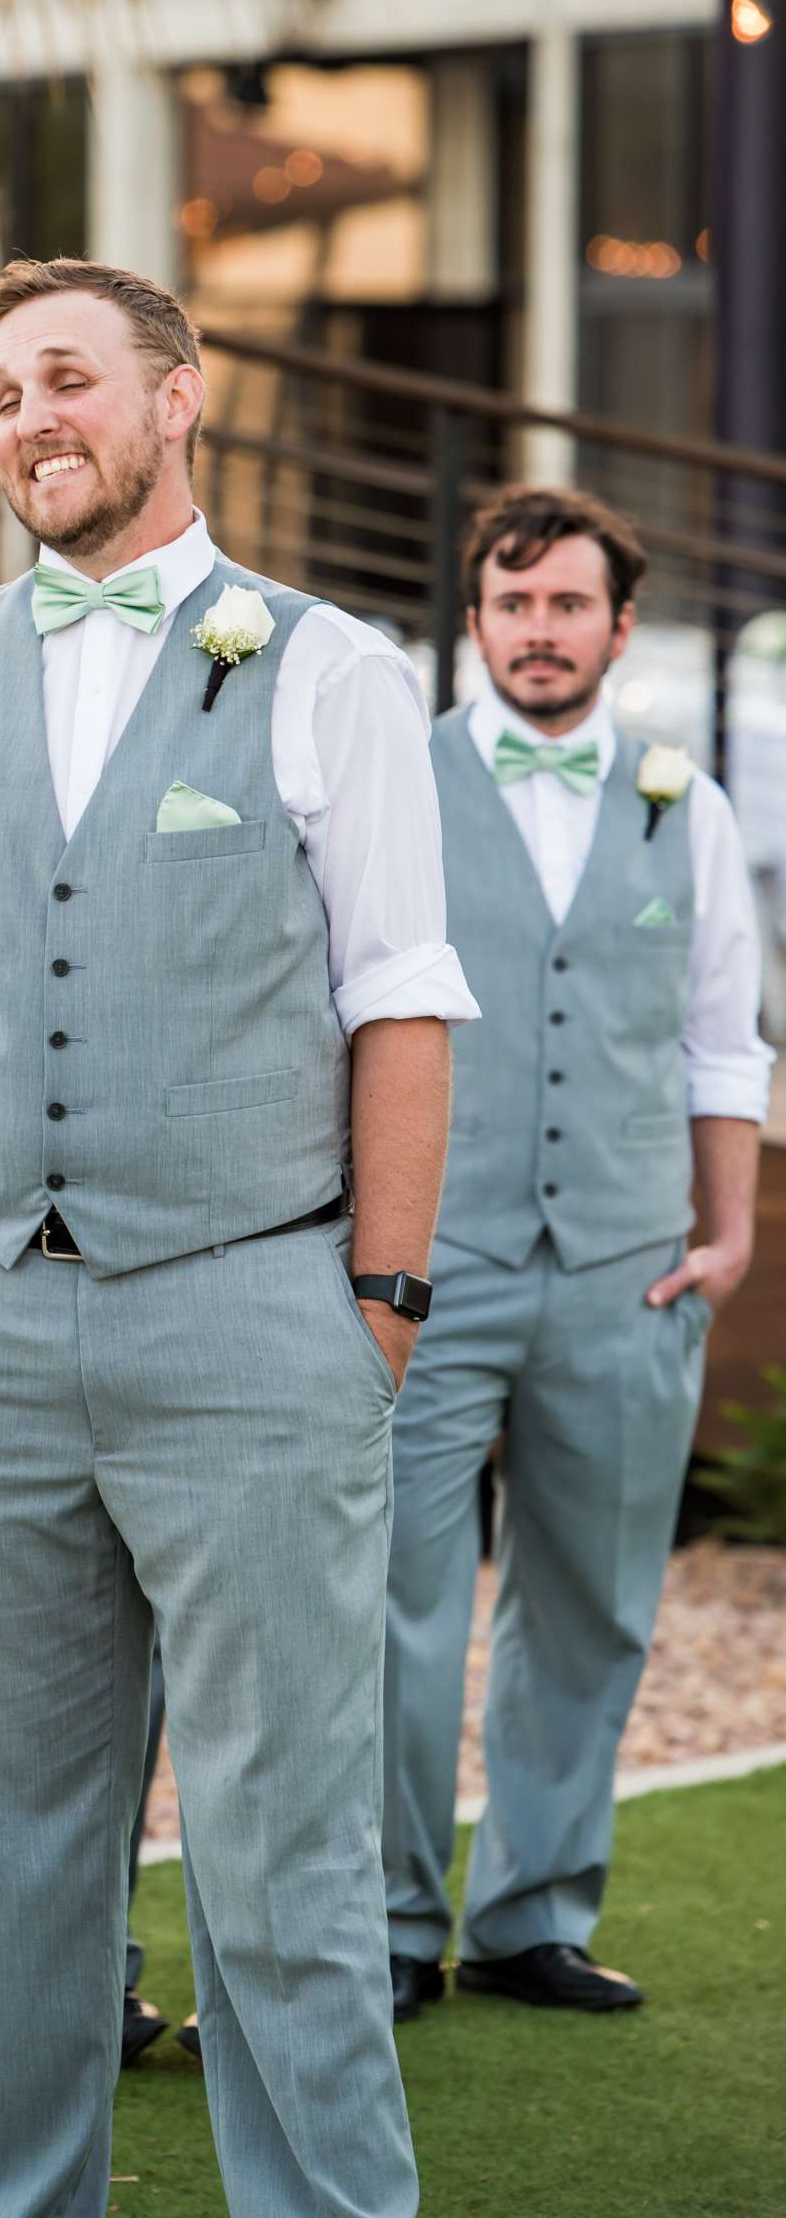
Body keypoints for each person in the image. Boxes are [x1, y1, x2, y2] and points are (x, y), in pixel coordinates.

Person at [0, 256, 479, 2218]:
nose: (33, 418)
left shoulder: (331, 666)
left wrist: (370, 1308)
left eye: (72, 380)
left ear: (178, 399)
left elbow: (401, 994)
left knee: (284, 1872)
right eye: (6, 387)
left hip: (250, 1329)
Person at [383, 485, 771, 2022]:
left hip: (626, 1271)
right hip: (426, 1265)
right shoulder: (396, 787)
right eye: (513, 603)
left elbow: (719, 1038)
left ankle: (531, 1912)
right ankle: (398, 1923)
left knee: (595, 1600)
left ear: (620, 624)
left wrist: (729, 1232)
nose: (539, 632)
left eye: (568, 605)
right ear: (473, 621)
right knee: (394, 1602)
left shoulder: (691, 802)